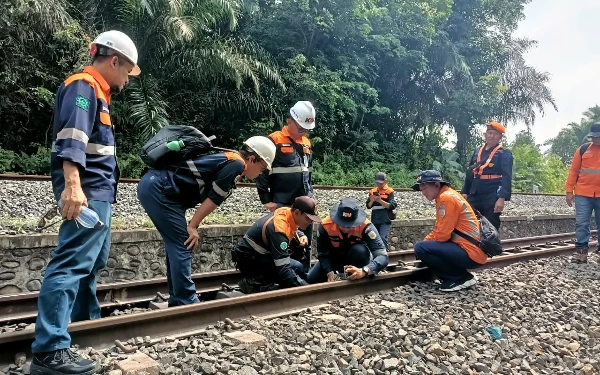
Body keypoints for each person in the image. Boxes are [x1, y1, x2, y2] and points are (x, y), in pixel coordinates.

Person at [31, 31, 140, 375]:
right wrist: (72, 186)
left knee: (93, 261)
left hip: (99, 193)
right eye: (127, 71)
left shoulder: (99, 94)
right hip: (87, 193)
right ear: (114, 61)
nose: (126, 79)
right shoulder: (84, 86)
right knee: (71, 263)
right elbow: (73, 138)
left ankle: (80, 326)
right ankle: (50, 351)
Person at [137, 136, 276, 305]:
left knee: (177, 244)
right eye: (263, 167)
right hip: (159, 189)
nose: (262, 173)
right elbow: (214, 199)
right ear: (253, 159)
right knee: (183, 243)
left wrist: (193, 224)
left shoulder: (230, 158)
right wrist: (193, 226)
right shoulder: (237, 164)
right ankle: (186, 301)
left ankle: (178, 299)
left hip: (158, 188)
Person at [256, 101, 316, 273]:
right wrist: (265, 199)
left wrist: (311, 196)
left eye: (307, 129)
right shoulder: (274, 140)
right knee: (285, 242)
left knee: (305, 243)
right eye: (301, 127)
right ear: (290, 121)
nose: (304, 131)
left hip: (306, 202)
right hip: (283, 202)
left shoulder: (306, 143)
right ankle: (286, 279)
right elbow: (261, 172)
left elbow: (308, 172)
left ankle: (303, 277)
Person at [413, 170, 487, 292]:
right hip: (473, 250)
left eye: (425, 188)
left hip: (471, 252)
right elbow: (441, 230)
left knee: (421, 248)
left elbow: (442, 235)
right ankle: (462, 275)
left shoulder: (446, 198)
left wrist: (424, 244)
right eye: (421, 190)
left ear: (437, 185)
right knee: (425, 246)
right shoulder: (447, 195)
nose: (423, 193)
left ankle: (457, 278)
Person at [232, 196, 321, 293]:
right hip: (249, 260)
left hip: (258, 254)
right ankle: (252, 282)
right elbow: (284, 269)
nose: (311, 222)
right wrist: (305, 288)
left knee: (297, 266)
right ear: (297, 212)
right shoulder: (278, 229)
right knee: (289, 270)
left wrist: (300, 234)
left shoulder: (288, 212)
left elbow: (291, 226)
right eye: (308, 219)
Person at [307, 198, 389, 283]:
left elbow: (383, 257)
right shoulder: (325, 226)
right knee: (311, 279)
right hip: (335, 258)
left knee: (359, 250)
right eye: (342, 225)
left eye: (349, 226)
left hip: (358, 259)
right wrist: (329, 272)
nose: (346, 229)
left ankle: (356, 275)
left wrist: (365, 270)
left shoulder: (366, 227)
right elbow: (323, 254)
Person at [461, 121, 513, 230]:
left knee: (491, 226)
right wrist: (465, 191)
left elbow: (507, 177)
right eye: (489, 133)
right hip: (475, 192)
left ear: (500, 137)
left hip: (492, 194)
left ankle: (492, 246)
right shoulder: (477, 151)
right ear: (485, 134)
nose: (492, 136)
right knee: (469, 223)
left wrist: (501, 198)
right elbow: (470, 171)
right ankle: (472, 246)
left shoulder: (504, 153)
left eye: (495, 134)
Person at [565, 122, 600, 263]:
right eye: (593, 137)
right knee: (581, 223)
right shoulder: (583, 150)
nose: (595, 140)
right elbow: (573, 171)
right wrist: (569, 191)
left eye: (597, 137)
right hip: (583, 194)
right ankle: (581, 253)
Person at [366, 172, 397, 249]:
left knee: (383, 238)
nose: (379, 185)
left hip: (385, 219)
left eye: (380, 183)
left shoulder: (389, 191)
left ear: (385, 181)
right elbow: (368, 206)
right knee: (374, 239)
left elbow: (392, 206)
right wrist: (372, 200)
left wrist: (380, 200)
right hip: (375, 219)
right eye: (377, 183)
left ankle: (384, 255)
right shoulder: (372, 191)